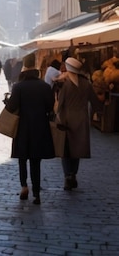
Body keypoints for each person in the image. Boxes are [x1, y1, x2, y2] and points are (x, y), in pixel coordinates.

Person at [3, 56, 55, 204]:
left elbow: (11, 107)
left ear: (24, 68)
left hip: (22, 127)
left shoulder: (18, 87)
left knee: (22, 158)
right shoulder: (44, 86)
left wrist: (7, 101)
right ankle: (37, 193)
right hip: (40, 127)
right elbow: (50, 106)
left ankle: (24, 186)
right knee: (35, 161)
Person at [55, 57, 103, 191]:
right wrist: (99, 111)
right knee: (76, 149)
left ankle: (67, 176)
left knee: (66, 150)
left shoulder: (65, 84)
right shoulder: (86, 83)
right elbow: (94, 101)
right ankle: (73, 174)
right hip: (81, 119)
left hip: (67, 119)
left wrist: (57, 117)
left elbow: (61, 104)